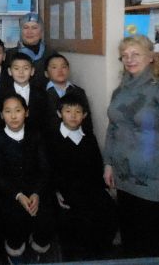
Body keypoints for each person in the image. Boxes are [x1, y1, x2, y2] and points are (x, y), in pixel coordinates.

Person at [104, 35, 159, 258]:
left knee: (150, 244)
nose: (129, 59)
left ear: (151, 57)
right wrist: (108, 163)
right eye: (125, 55)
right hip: (124, 176)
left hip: (153, 179)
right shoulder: (121, 89)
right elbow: (113, 128)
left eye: (136, 54)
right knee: (130, 239)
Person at [46, 93, 117, 261]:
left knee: (107, 210)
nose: (73, 115)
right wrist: (55, 191)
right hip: (64, 191)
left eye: (78, 112)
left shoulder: (89, 137)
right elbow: (48, 169)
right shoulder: (51, 138)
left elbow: (96, 166)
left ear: (84, 115)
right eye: (68, 111)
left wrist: (104, 189)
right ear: (59, 113)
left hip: (89, 189)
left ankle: (98, 255)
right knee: (74, 221)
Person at [0, 93, 54, 263]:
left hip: (36, 190)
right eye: (8, 111)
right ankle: (15, 251)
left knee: (46, 220)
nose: (13, 116)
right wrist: (18, 195)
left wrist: (36, 193)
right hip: (9, 193)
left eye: (18, 110)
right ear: (1, 115)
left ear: (26, 112)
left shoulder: (36, 135)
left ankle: (36, 246)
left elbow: (44, 169)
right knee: (14, 221)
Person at [43, 53, 93, 134]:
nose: (60, 71)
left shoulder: (79, 91)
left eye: (63, 67)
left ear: (68, 70)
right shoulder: (40, 93)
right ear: (46, 73)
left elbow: (87, 122)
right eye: (54, 67)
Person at [0, 52, 48, 133]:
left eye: (25, 68)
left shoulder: (41, 93)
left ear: (32, 71)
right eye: (16, 68)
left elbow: (44, 119)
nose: (21, 72)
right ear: (10, 71)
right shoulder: (2, 93)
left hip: (36, 135)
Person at [6, 13, 56, 89]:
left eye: (34, 28)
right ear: (21, 30)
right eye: (26, 27)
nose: (29, 32)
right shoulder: (9, 54)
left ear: (41, 32)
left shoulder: (51, 54)